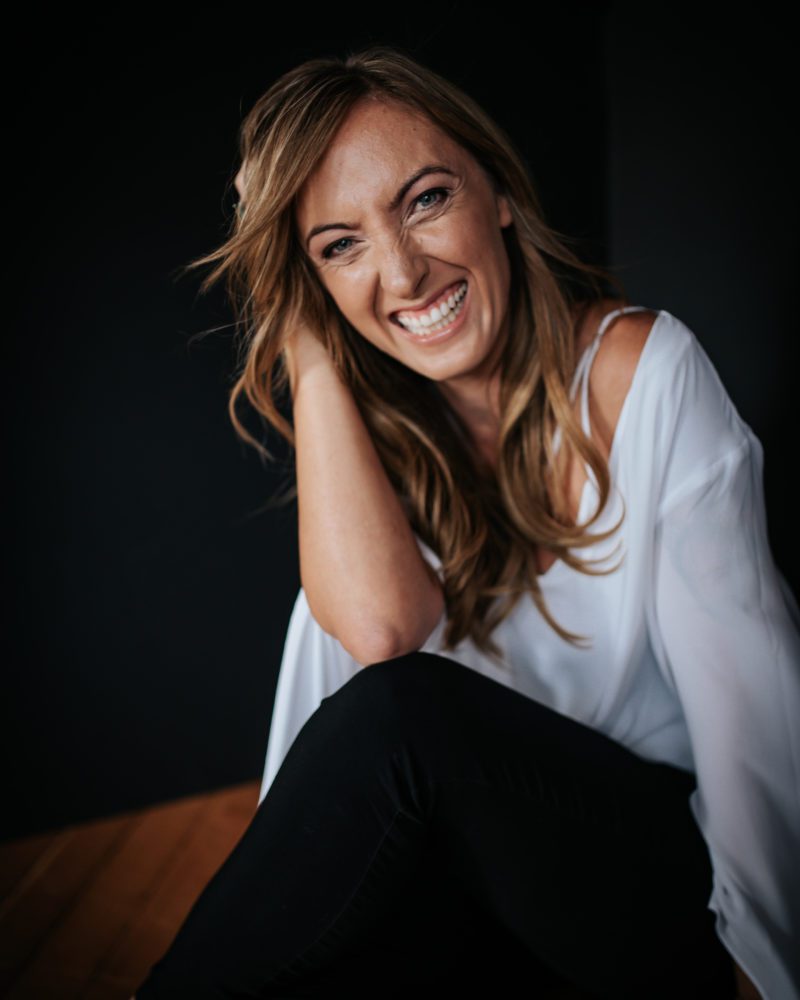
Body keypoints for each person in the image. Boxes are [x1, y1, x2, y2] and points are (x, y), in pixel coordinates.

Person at [134, 45, 800, 999]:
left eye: (424, 199)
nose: (402, 272)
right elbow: (376, 629)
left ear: (497, 193)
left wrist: (771, 972)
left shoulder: (640, 374)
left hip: (661, 896)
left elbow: (756, 712)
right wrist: (307, 339)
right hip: (502, 907)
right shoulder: (376, 445)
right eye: (339, 246)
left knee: (403, 717)